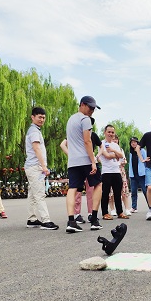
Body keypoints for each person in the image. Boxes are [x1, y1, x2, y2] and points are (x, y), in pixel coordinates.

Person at [65, 96, 103, 233]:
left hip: (73, 161)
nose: (92, 110)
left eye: (94, 108)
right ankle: (94, 219)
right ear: (82, 105)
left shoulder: (70, 120)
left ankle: (71, 221)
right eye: (90, 107)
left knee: (73, 188)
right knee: (98, 184)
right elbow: (88, 142)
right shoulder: (85, 119)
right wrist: (93, 162)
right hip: (85, 159)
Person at [24, 107, 59, 230]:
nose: (42, 120)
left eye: (43, 117)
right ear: (32, 117)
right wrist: (44, 166)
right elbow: (36, 148)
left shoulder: (35, 130)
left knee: (33, 194)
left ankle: (31, 219)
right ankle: (45, 220)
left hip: (32, 166)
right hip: (35, 166)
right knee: (39, 194)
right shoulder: (34, 131)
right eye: (39, 117)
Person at [60, 118, 101, 224]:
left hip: (75, 162)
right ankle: (91, 215)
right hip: (87, 161)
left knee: (75, 189)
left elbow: (101, 147)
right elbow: (63, 144)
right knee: (93, 187)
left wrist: (71, 155)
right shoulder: (83, 134)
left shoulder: (76, 134)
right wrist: (93, 159)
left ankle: (74, 218)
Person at [100, 125, 129, 220]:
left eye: (112, 132)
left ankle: (120, 212)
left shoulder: (115, 145)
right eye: (109, 132)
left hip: (116, 171)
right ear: (105, 132)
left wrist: (113, 151)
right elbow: (106, 156)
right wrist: (115, 155)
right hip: (106, 172)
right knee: (106, 193)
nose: (111, 134)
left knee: (118, 193)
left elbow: (121, 155)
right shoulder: (101, 144)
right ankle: (105, 213)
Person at [108, 135, 132, 216]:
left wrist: (124, 162)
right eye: (113, 139)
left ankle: (127, 209)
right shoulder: (108, 150)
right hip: (111, 171)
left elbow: (124, 159)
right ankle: (112, 209)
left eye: (116, 139)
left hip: (120, 171)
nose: (115, 141)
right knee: (111, 191)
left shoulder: (120, 150)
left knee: (124, 190)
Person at [128, 137, 147, 213]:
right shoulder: (130, 152)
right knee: (133, 192)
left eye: (135, 142)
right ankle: (134, 207)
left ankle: (150, 206)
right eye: (132, 142)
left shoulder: (142, 151)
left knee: (145, 191)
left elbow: (145, 161)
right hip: (133, 174)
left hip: (141, 174)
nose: (133, 143)